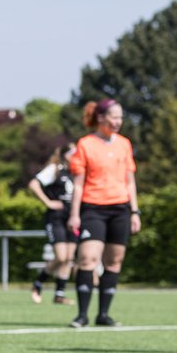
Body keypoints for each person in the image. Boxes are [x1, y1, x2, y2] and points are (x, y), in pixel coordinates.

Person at [66, 99, 139, 328]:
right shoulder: (86, 144)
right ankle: (82, 315)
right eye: (113, 117)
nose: (118, 122)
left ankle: (103, 314)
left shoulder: (124, 144)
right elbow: (78, 184)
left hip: (120, 208)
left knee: (114, 261)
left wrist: (135, 211)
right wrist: (74, 214)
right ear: (100, 118)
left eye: (120, 118)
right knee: (87, 258)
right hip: (93, 207)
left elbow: (130, 181)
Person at [27, 144, 76, 305]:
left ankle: (59, 294)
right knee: (61, 257)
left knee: (68, 258)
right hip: (56, 218)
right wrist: (48, 202)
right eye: (72, 152)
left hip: (72, 218)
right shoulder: (55, 169)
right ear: (64, 154)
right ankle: (38, 283)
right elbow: (34, 184)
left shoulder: (75, 172)